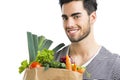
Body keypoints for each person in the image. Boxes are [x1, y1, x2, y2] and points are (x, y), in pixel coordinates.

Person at [54, 0, 120, 79]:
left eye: (76, 16)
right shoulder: (52, 61)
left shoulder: (115, 67)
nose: (69, 24)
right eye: (65, 18)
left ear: (92, 17)